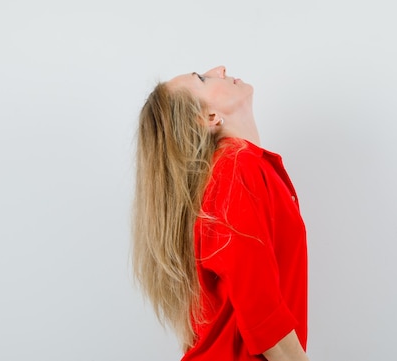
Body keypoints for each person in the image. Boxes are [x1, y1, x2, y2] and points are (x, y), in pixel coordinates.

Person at [132, 66, 309, 361]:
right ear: (209, 118)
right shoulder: (236, 169)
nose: (220, 69)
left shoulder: (241, 167)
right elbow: (262, 313)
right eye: (202, 79)